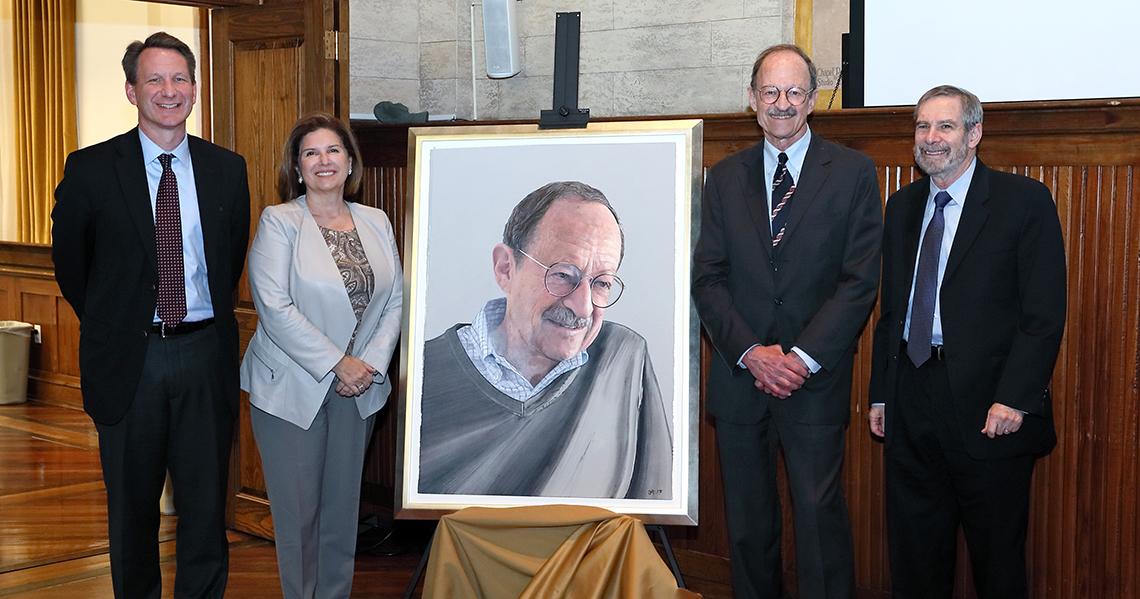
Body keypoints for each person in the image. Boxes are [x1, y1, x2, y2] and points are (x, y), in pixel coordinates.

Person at [51, 32, 250, 598]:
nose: (169, 90)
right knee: (132, 511)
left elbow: (228, 257)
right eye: (155, 79)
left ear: (195, 89)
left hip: (204, 354)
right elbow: (72, 265)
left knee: (205, 508)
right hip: (128, 362)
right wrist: (117, 322)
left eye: (180, 78)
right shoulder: (91, 168)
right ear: (131, 90)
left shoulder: (226, 169)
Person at [692, 44, 882, 599]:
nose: (782, 103)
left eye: (794, 91)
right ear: (751, 99)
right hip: (741, 380)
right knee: (748, 526)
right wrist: (752, 354)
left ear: (813, 100)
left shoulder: (852, 173)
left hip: (814, 381)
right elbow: (708, 278)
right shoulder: (723, 177)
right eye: (770, 91)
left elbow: (859, 280)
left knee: (820, 523)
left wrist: (800, 358)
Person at [868, 85, 1066, 599]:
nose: (931, 138)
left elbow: (1043, 315)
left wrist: (1014, 398)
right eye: (922, 126)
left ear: (974, 134)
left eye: (945, 126)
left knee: (997, 562)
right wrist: (882, 393)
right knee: (915, 559)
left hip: (989, 409)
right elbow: (892, 312)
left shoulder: (1023, 202)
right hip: (911, 398)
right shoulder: (902, 207)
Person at [419, 181, 672, 499]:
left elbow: (656, 499)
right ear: (506, 268)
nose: (583, 307)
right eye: (563, 275)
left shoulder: (623, 356)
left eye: (602, 284)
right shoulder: (425, 371)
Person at [240, 112, 403, 599]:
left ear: (350, 162)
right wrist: (338, 363)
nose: (323, 160)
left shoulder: (376, 220)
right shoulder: (280, 222)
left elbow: (395, 300)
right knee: (299, 517)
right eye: (310, 153)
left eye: (333, 150)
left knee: (341, 512)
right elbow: (274, 307)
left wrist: (368, 365)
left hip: (359, 389)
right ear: (297, 167)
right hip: (293, 388)